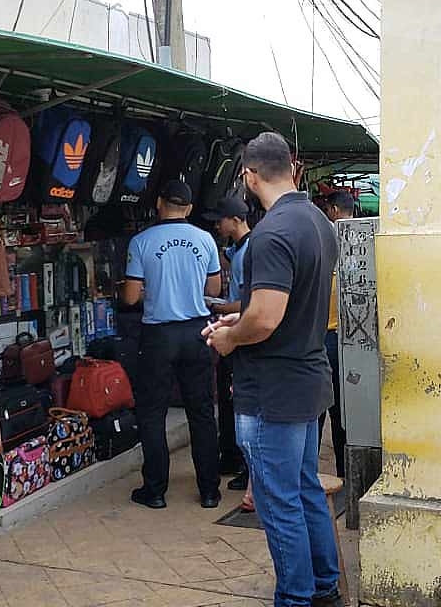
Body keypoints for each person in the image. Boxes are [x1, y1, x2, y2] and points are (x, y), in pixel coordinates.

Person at [202, 133, 342, 607]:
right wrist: (239, 318)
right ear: (293, 168)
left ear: (249, 175)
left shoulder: (271, 232)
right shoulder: (319, 223)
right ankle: (324, 587)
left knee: (279, 502)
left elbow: (264, 318)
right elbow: (287, 301)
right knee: (303, 490)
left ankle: (296, 597)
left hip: (273, 391)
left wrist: (228, 336)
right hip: (307, 378)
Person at [121, 179, 223, 510]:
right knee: (202, 412)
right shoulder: (205, 239)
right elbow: (215, 289)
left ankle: (155, 491)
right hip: (197, 333)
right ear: (190, 208)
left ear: (160, 203)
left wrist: (155, 290)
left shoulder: (141, 242)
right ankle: (209, 491)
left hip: (159, 335)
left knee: (153, 413)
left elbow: (131, 296)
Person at [201, 196, 251, 493]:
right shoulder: (238, 249)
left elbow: (246, 302)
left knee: (237, 401)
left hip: (239, 334)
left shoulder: (248, 253)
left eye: (220, 220)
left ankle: (246, 469)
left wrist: (216, 307)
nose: (217, 225)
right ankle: (231, 458)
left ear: (234, 219)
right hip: (235, 331)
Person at [320, 190, 355, 477]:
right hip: (349, 336)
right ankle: (344, 471)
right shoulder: (360, 238)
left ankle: (309, 470)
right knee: (342, 409)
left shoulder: (325, 237)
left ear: (332, 209)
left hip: (324, 335)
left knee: (317, 406)